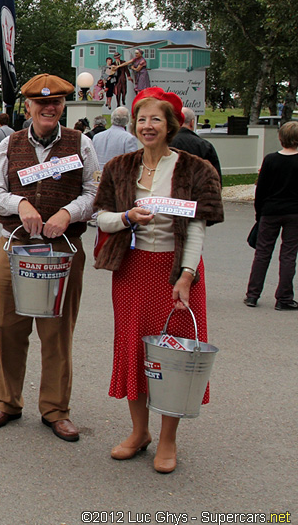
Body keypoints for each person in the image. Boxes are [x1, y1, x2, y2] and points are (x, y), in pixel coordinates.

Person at [94, 87, 223, 473]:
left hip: (177, 273)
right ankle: (139, 431)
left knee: (173, 356)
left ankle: (168, 439)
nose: (147, 126)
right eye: (141, 118)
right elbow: (101, 218)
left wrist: (186, 274)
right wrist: (128, 217)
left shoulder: (195, 169)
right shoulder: (120, 167)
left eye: (155, 119)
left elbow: (197, 229)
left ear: (171, 125)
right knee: (135, 349)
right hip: (133, 271)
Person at [0, 73, 98, 441]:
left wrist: (69, 213)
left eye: (57, 102)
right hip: (14, 244)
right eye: (42, 103)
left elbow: (95, 191)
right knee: (9, 328)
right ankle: (7, 401)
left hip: (63, 249)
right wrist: (20, 203)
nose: (50, 108)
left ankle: (55, 409)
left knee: (57, 332)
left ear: (63, 106)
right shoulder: (9, 144)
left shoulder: (82, 143)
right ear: (28, 107)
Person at [244, 120, 298, 310]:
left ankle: (252, 294)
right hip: (294, 212)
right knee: (289, 255)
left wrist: (259, 214)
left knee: (262, 253)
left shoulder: (271, 159)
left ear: (281, 137)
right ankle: (284, 297)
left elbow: (262, 189)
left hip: (270, 210)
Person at [171, 107, 221, 180]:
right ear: (192, 123)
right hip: (199, 188)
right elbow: (216, 177)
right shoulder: (205, 146)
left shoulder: (164, 143)